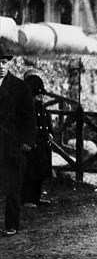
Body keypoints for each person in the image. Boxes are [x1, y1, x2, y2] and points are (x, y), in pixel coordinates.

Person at [0, 44, 36, 237]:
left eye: (4, 62)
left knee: (13, 187)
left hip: (11, 145)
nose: (1, 66)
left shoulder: (20, 87)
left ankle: (11, 224)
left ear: (9, 63)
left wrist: (27, 142)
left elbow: (29, 118)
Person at [21, 74, 53, 207]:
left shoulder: (41, 108)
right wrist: (22, 142)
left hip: (41, 145)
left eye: (41, 96)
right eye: (37, 96)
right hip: (30, 145)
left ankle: (36, 198)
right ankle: (26, 199)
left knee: (40, 172)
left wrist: (50, 133)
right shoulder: (23, 109)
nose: (40, 98)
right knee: (29, 173)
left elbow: (46, 122)